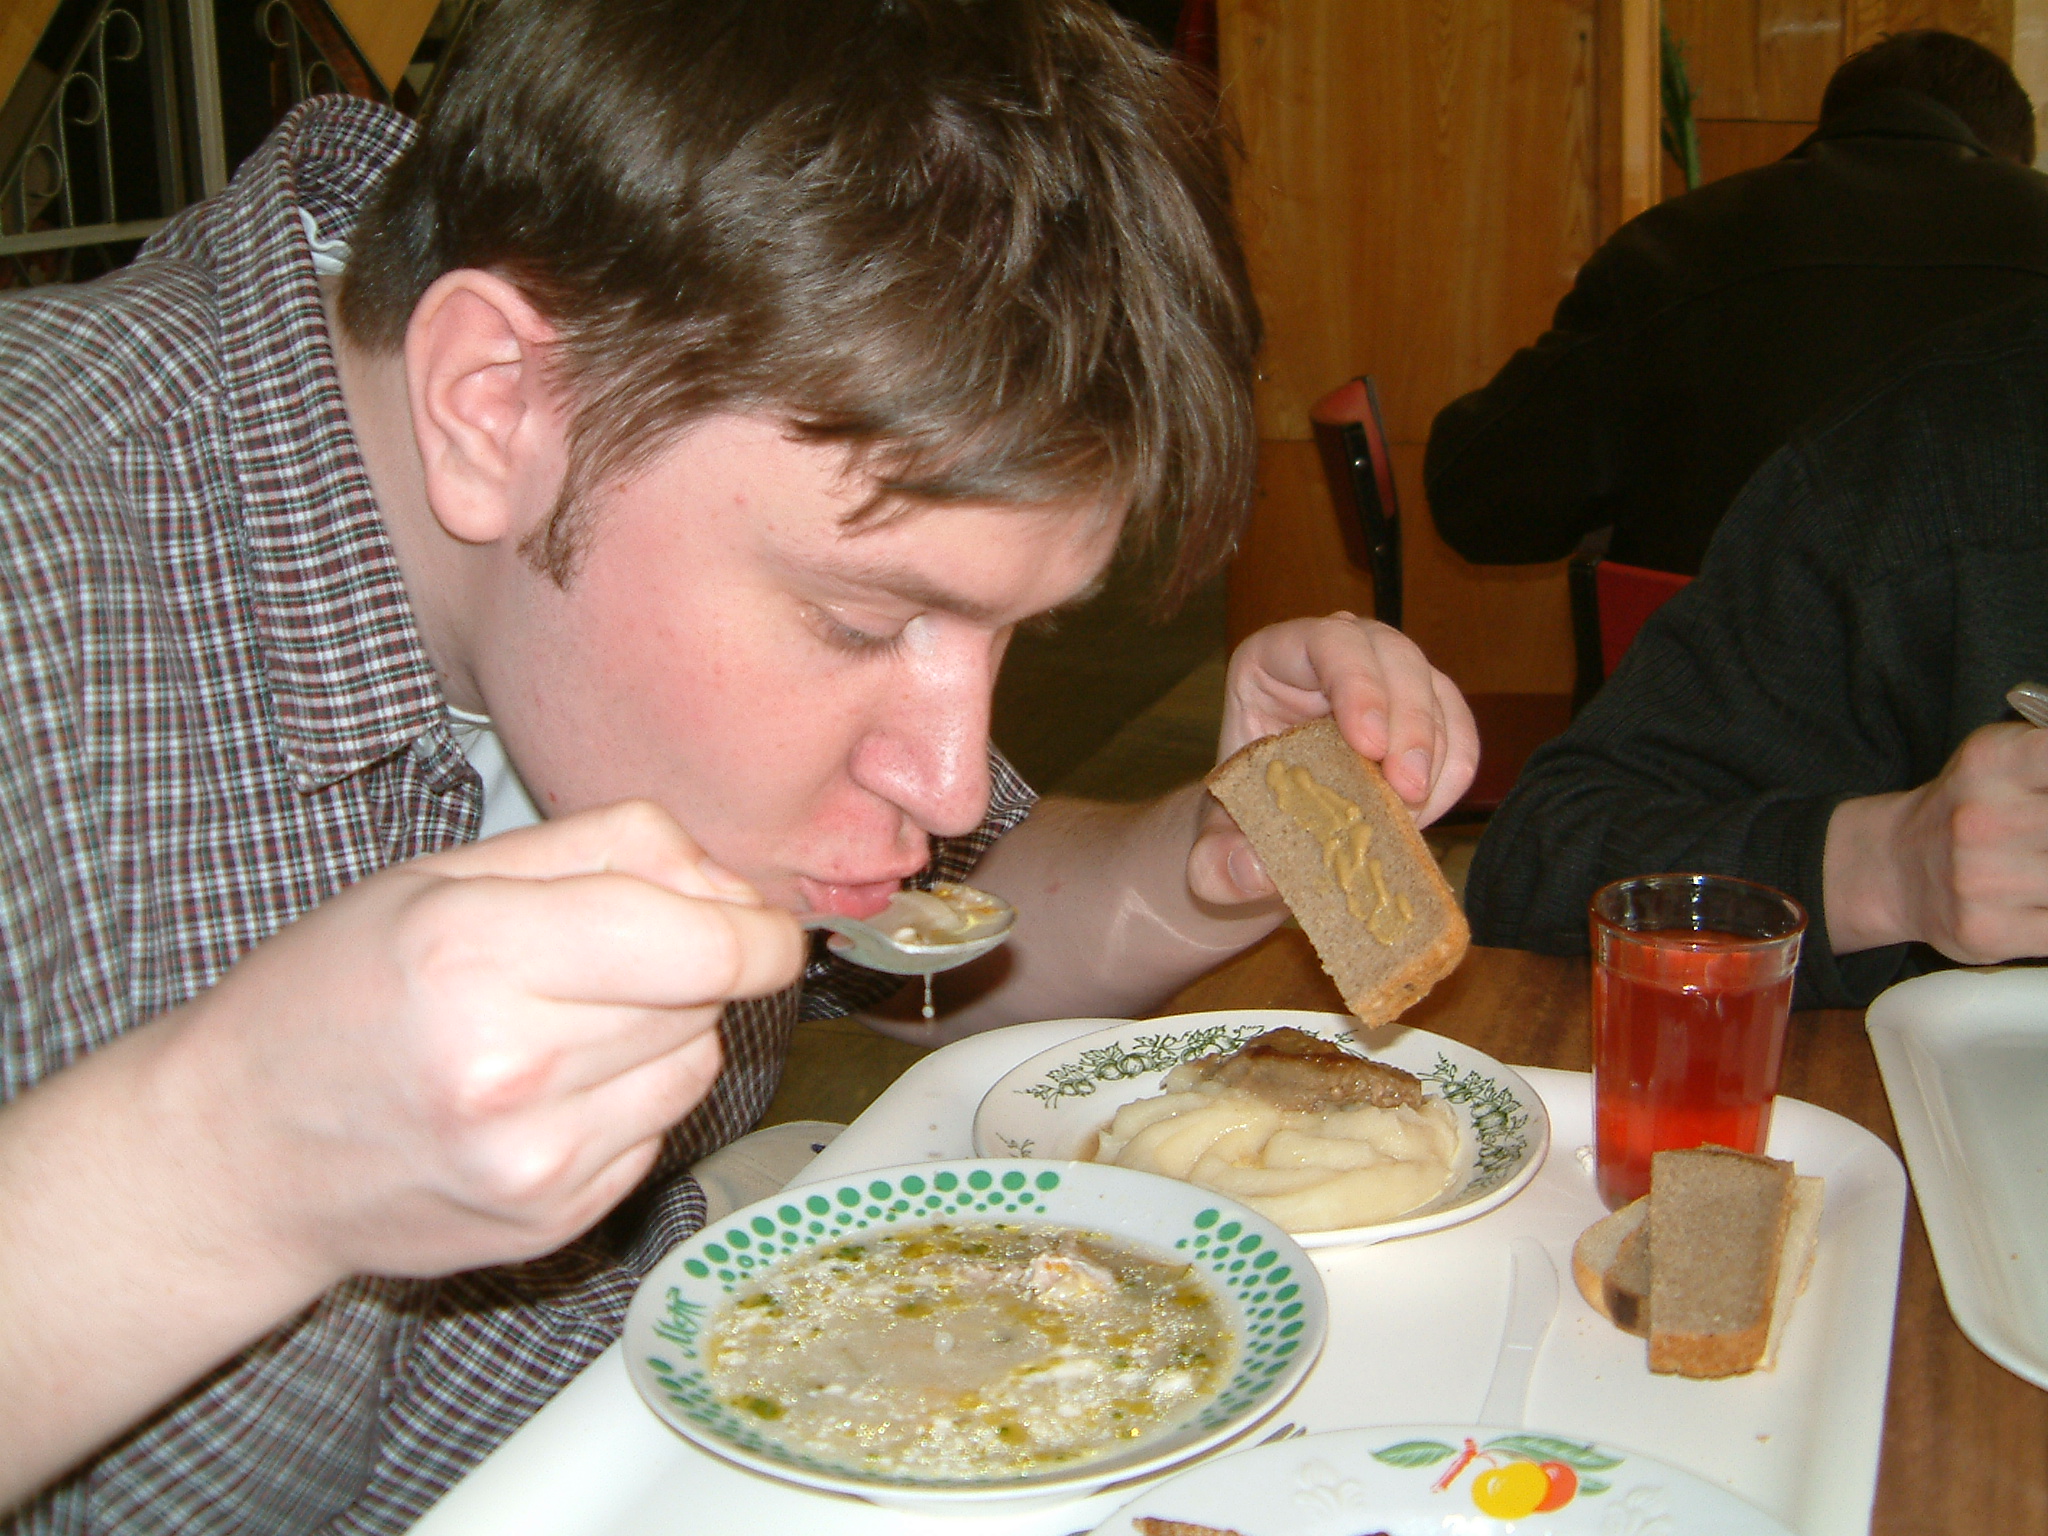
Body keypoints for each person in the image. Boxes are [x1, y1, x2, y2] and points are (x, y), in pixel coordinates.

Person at [0, 1, 1477, 1529]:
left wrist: (1207, 862)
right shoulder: (32, 568)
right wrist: (225, 1160)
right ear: (494, 406)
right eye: (861, 621)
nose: (950, 778)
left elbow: (924, 948)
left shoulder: (702, 423)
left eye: (1008, 635)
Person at [1464, 293, 2048, 1010]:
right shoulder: (1937, 447)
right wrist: (1895, 866)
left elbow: (1481, 499)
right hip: (1747, 726)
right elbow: (1536, 872)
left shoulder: (1669, 266)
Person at [1424, 28, 2048, 578]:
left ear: (1833, 127)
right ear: (2013, 159)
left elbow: (1480, 499)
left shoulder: (1674, 246)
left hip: (1728, 669)